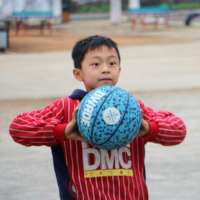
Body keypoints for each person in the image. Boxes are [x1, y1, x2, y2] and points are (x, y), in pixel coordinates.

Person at [9, 35, 186, 200]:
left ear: (120, 69)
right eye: (95, 64)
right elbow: (18, 128)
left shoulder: (132, 109)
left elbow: (178, 130)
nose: (105, 69)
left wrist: (149, 129)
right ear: (78, 74)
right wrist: (62, 131)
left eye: (112, 63)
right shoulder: (65, 108)